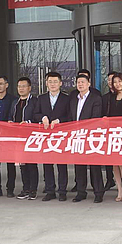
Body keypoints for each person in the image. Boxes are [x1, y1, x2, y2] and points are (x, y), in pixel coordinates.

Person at [33, 72, 70, 201]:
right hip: (46, 135)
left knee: (61, 164)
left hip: (61, 135)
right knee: (47, 164)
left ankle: (62, 191)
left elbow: (70, 115)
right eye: (50, 82)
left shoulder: (67, 98)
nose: (52, 84)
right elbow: (35, 114)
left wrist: (59, 120)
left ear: (60, 83)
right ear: (46, 83)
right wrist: (42, 117)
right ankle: (50, 190)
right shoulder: (41, 98)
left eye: (55, 81)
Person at [69, 74, 105, 203]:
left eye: (83, 82)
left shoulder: (95, 98)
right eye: (78, 82)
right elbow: (71, 117)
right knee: (79, 166)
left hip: (91, 136)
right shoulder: (74, 99)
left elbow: (95, 117)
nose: (80, 84)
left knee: (94, 166)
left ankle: (98, 192)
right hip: (77, 137)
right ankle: (81, 192)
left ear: (89, 84)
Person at [11, 77, 40, 201]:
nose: (21, 89)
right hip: (18, 137)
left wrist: (28, 122)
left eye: (24, 86)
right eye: (19, 86)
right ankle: (25, 188)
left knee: (31, 164)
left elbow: (37, 116)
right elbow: (11, 116)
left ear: (29, 88)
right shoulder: (15, 102)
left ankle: (33, 190)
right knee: (22, 164)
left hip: (31, 137)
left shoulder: (34, 101)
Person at [107, 73, 122, 202]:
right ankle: (119, 189)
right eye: (115, 82)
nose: (117, 84)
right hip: (112, 132)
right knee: (114, 164)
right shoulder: (111, 97)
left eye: (119, 81)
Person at [101, 71, 117, 191]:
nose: (111, 82)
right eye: (109, 80)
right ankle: (109, 179)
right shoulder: (105, 97)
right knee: (108, 157)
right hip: (107, 131)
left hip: (120, 131)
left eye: (113, 80)